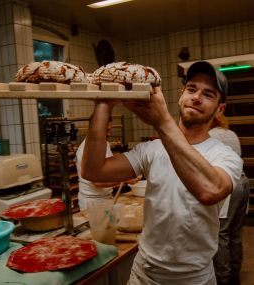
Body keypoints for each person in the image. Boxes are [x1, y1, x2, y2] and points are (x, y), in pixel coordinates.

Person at [81, 61, 243, 285]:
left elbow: (210, 190)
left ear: (220, 109)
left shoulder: (226, 156)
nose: (196, 97)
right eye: (192, 89)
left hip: (194, 279)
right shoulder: (152, 150)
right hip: (144, 274)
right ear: (181, 94)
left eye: (208, 94)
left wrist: (162, 121)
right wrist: (103, 105)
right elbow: (93, 170)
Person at [209, 127, 250, 285]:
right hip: (243, 181)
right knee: (235, 232)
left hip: (230, 185)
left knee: (221, 232)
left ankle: (223, 278)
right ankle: (234, 274)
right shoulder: (230, 133)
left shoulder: (211, 135)